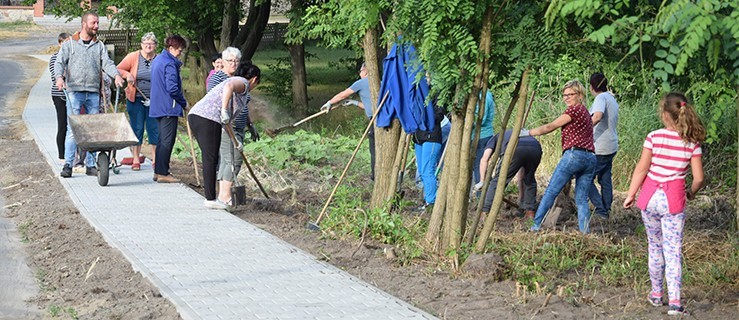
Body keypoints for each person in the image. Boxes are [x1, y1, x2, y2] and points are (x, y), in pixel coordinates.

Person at [623, 92, 705, 316]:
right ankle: (675, 302)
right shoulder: (692, 143)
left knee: (654, 246)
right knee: (673, 250)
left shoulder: (653, 137)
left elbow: (641, 169)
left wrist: (631, 194)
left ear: (665, 114)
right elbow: (698, 178)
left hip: (649, 198)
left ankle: (657, 295)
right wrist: (691, 193)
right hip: (673, 200)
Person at [55, 12, 124, 178]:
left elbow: (107, 63)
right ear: (84, 24)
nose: (97, 26)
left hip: (93, 92)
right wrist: (59, 78)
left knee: (93, 130)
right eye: (94, 23)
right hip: (74, 91)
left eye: (97, 23)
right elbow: (59, 62)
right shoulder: (70, 44)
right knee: (74, 130)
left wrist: (116, 75)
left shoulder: (98, 45)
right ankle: (68, 165)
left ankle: (91, 165)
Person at [523, 80, 595, 233]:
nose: (567, 98)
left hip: (574, 155)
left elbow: (550, 126)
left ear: (580, 95)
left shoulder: (573, 111)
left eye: (571, 94)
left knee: (551, 190)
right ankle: (585, 232)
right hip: (590, 158)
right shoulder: (586, 113)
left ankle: (536, 226)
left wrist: (527, 133)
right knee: (581, 199)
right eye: (564, 95)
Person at [188, 63, 261, 209]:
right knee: (211, 157)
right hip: (207, 118)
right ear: (254, 79)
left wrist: (235, 142)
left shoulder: (240, 90)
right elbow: (229, 87)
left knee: (211, 157)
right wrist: (223, 110)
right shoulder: (243, 83)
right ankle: (210, 199)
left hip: (198, 116)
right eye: (256, 83)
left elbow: (226, 122)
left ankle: (213, 198)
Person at [321, 63, 376, 179]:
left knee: (374, 150)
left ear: (365, 72)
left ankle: (375, 176)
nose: (360, 73)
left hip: (376, 121)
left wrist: (330, 102)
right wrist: (354, 103)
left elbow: (342, 95)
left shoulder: (362, 83)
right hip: (380, 116)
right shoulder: (377, 82)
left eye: (360, 71)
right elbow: (373, 107)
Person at [474, 129, 542, 220]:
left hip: (515, 148)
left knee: (497, 181)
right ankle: (530, 212)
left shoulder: (495, 138)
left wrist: (482, 181)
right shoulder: (514, 133)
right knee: (529, 179)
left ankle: (485, 213)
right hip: (535, 148)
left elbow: (484, 159)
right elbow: (521, 175)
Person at [117, 32, 159, 171]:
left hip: (154, 100)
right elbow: (119, 68)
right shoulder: (133, 57)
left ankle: (155, 158)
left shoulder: (158, 59)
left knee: (154, 129)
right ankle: (136, 158)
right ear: (141, 45)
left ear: (155, 46)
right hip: (136, 98)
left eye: (151, 43)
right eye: (146, 43)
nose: (148, 46)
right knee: (137, 128)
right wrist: (128, 74)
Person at [150, 35, 188, 183]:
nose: (180, 53)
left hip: (158, 106)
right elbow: (172, 88)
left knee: (161, 140)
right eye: (179, 50)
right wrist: (183, 103)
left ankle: (158, 171)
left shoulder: (158, 59)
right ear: (171, 48)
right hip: (168, 107)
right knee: (167, 141)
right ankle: (163, 173)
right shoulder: (170, 64)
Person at [588, 73, 619, 219]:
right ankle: (606, 207)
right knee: (605, 178)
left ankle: (601, 209)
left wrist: (583, 130)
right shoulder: (611, 98)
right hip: (611, 144)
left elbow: (597, 116)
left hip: (601, 146)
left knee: (585, 179)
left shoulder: (600, 98)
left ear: (592, 87)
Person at [413, 106, 444, 212]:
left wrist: (423, 116)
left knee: (427, 171)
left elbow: (439, 115)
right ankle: (427, 201)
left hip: (432, 137)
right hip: (419, 138)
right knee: (422, 172)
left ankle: (431, 203)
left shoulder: (435, 93)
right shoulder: (415, 93)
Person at [49, 32, 70, 161]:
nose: (66, 45)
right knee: (62, 124)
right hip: (59, 94)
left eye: (68, 42)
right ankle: (62, 155)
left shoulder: (72, 56)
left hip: (72, 94)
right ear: (59, 43)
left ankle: (73, 154)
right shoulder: (55, 58)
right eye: (64, 42)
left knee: (73, 125)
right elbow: (55, 76)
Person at [473, 91, 496, 184]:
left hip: (482, 136)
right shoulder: (480, 94)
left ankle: (482, 195)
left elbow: (481, 119)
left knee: (480, 166)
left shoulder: (484, 97)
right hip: (477, 137)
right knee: (479, 166)